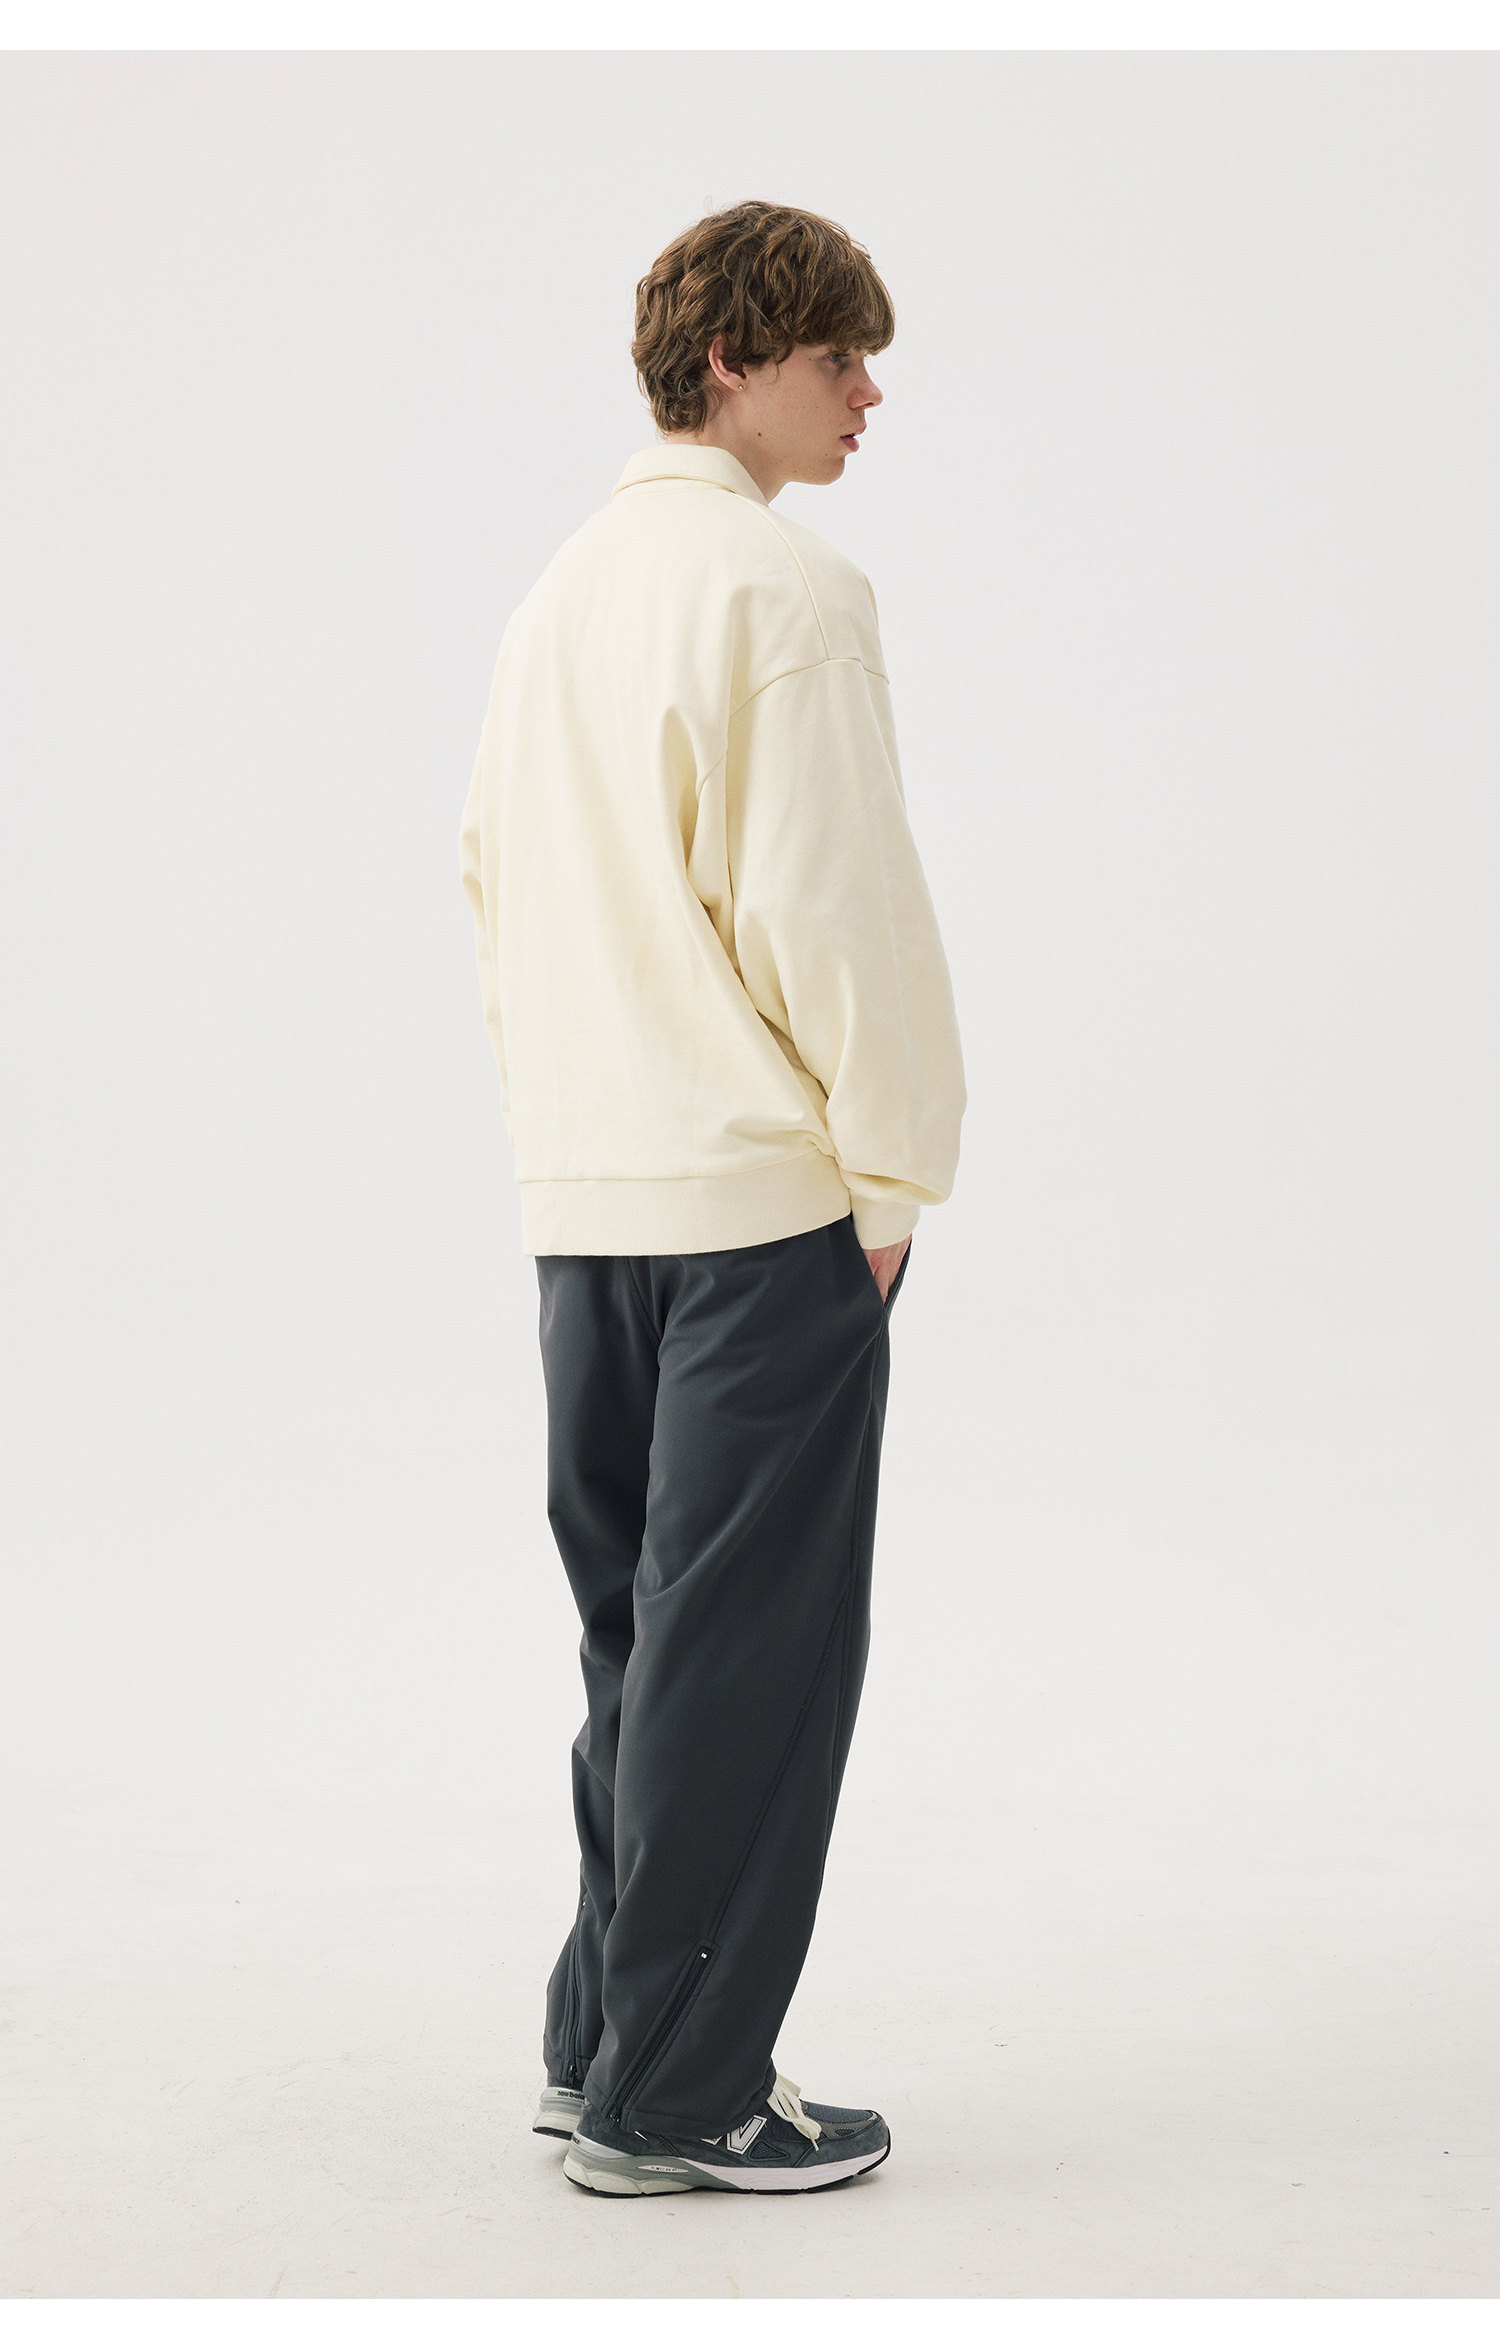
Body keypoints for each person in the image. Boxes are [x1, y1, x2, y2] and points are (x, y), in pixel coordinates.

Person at [459, 199, 965, 2196]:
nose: (870, 394)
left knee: (645, 1642)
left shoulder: (556, 596)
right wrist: (893, 1165)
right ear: (742, 358)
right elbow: (834, 907)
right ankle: (681, 2094)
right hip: (759, 1209)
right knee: (744, 1656)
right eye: (843, 355)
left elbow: (492, 881)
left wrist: (565, 1130)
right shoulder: (784, 589)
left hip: (586, 1197)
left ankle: (603, 2041)